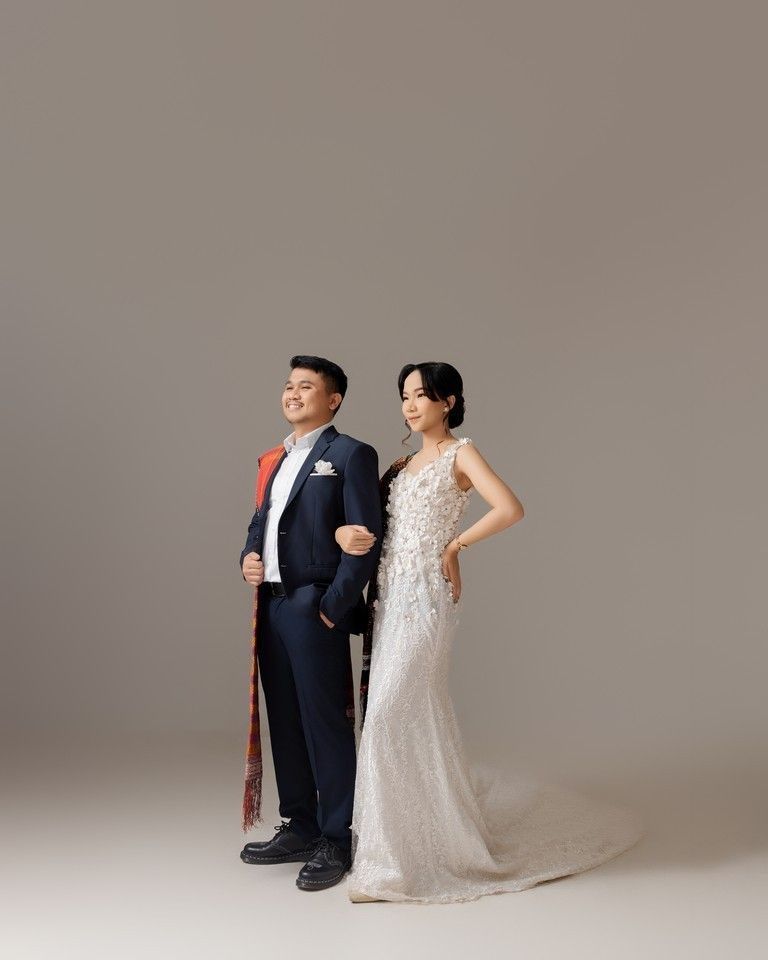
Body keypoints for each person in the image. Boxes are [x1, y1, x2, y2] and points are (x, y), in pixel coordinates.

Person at [334, 361, 643, 903]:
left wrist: (456, 546)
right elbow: (378, 531)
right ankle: (408, 845)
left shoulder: (461, 453)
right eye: (404, 396)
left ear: (448, 401)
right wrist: (343, 534)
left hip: (425, 598)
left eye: (421, 395)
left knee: (387, 714)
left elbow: (510, 508)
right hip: (387, 599)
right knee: (412, 715)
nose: (410, 405)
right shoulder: (400, 465)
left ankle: (391, 866)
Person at [237, 355, 382, 892]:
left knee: (325, 722)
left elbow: (366, 537)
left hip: (312, 606)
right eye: (289, 385)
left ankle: (337, 837)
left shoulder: (349, 454)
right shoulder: (275, 458)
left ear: (333, 399)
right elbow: (261, 522)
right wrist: (248, 558)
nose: (293, 394)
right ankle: (299, 824)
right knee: (286, 719)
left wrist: (332, 605)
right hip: (272, 606)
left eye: (306, 386)